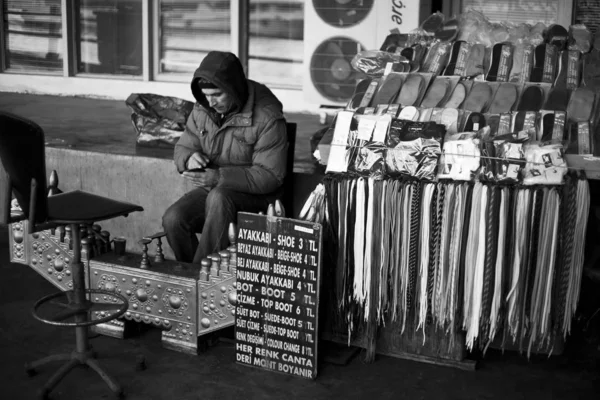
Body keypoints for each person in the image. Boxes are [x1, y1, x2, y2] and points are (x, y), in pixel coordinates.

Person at [162, 51, 287, 264]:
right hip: (215, 190)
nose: (211, 103)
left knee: (219, 197)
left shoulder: (267, 116)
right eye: (206, 95)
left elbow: (270, 176)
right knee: (174, 219)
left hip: (260, 198)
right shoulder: (203, 107)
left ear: (233, 89)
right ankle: (190, 272)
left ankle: (202, 279)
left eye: (217, 95)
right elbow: (183, 146)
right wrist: (189, 158)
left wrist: (219, 177)